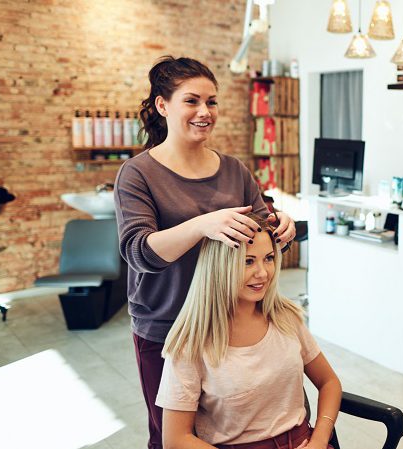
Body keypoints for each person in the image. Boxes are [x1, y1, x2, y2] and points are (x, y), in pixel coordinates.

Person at [114, 56, 296, 449]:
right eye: (192, 101)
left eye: (211, 102)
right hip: (167, 327)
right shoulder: (138, 173)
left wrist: (284, 228)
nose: (204, 112)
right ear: (163, 106)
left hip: (230, 323)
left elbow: (262, 232)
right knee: (173, 437)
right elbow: (137, 251)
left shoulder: (234, 170)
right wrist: (202, 225)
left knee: (227, 432)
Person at [157, 215, 341, 449]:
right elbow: (175, 440)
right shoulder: (190, 345)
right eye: (248, 261)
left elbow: (329, 382)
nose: (263, 273)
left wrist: (319, 439)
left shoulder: (285, 318)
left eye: (269, 259)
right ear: (220, 267)